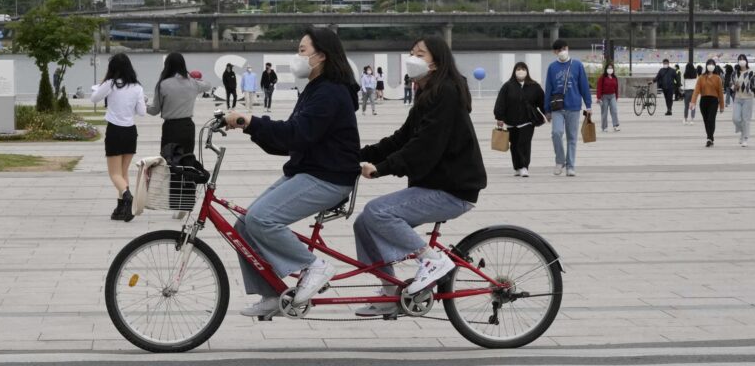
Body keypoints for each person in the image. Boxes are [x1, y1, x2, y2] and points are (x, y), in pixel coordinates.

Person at [224, 28, 360, 317]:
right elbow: (288, 141)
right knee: (245, 225)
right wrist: (249, 125)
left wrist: (252, 121)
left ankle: (314, 266)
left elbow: (296, 135)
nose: (296, 56)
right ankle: (271, 293)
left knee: (261, 218)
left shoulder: (331, 92)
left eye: (301, 50)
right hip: (309, 171)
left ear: (321, 56)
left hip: (329, 177)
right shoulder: (315, 89)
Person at [354, 36, 487, 316]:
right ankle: (390, 292)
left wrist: (382, 169)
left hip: (453, 189)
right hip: (433, 185)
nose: (413, 58)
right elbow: (403, 137)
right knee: (364, 223)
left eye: (420, 54)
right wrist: (359, 153)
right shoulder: (428, 93)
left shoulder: (447, 93)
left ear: (436, 62)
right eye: (411, 53)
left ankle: (432, 261)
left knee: (377, 212)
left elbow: (424, 146)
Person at [90, 54, 146, 222]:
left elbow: (94, 98)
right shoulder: (137, 87)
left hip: (115, 131)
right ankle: (121, 208)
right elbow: (142, 112)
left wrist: (103, 83)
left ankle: (128, 197)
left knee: (114, 174)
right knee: (123, 172)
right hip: (130, 131)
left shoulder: (110, 84)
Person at [543, 39, 592, 177]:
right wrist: (546, 110)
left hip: (574, 106)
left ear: (567, 48)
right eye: (558, 50)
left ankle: (571, 165)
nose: (561, 52)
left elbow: (584, 86)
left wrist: (588, 105)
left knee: (572, 137)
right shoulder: (552, 67)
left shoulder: (577, 65)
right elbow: (548, 88)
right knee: (556, 133)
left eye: (563, 48)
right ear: (554, 52)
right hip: (557, 106)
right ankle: (560, 160)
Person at [147, 52, 210, 155]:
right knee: (187, 160)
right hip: (187, 127)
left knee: (169, 160)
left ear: (167, 66)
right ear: (183, 65)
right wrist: (193, 78)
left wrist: (142, 105)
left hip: (170, 128)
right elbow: (208, 85)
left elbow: (154, 110)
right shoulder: (193, 83)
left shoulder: (163, 85)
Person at [494, 62, 545, 177]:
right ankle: (517, 166)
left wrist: (547, 113)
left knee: (524, 143)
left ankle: (524, 166)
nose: (521, 71)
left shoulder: (534, 86)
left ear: (527, 71)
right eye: (518, 69)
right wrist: (499, 117)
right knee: (514, 144)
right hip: (511, 121)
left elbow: (542, 101)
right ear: (514, 71)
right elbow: (500, 102)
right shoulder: (507, 86)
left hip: (527, 120)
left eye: (523, 69)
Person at [690, 59, 725, 147]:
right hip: (704, 101)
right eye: (709, 64)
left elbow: (720, 93)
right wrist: (693, 102)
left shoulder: (717, 78)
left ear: (715, 66)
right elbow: (696, 90)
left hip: (713, 101)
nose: (710, 65)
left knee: (711, 119)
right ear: (706, 66)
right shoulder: (701, 77)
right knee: (706, 120)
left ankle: (709, 138)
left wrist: (722, 106)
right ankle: (710, 137)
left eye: (712, 64)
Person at [730, 54, 755, 147]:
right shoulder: (734, 73)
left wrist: (750, 90)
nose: (741, 61)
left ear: (746, 61)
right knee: (735, 118)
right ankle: (742, 131)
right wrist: (735, 87)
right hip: (737, 98)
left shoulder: (751, 73)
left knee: (746, 120)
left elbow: (754, 86)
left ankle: (745, 138)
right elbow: (731, 86)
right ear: (738, 61)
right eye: (740, 59)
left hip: (748, 99)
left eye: (743, 59)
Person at [596, 61, 620, 132]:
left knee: (614, 111)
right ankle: (604, 127)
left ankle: (615, 125)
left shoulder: (614, 78)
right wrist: (599, 98)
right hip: (604, 97)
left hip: (612, 96)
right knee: (604, 112)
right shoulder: (602, 78)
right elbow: (599, 88)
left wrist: (617, 97)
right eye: (609, 68)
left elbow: (616, 88)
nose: (610, 69)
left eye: (611, 68)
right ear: (606, 69)